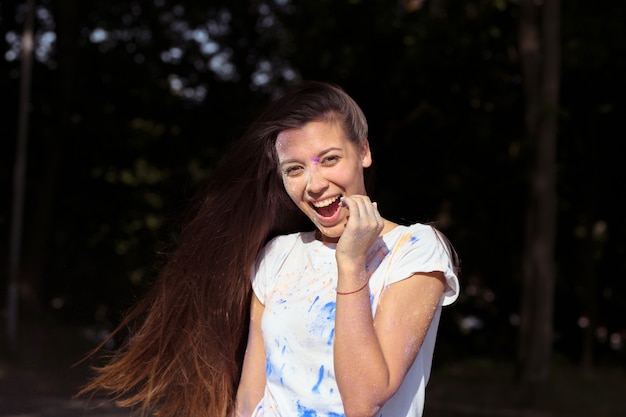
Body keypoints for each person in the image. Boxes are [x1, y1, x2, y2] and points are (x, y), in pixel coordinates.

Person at [80, 81, 460, 417]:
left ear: (363, 151)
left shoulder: (414, 250)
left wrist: (351, 261)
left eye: (329, 159)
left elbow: (364, 401)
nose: (314, 184)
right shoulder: (278, 256)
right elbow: (250, 399)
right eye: (295, 169)